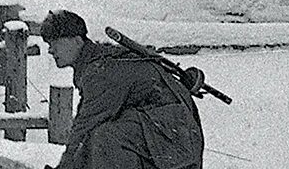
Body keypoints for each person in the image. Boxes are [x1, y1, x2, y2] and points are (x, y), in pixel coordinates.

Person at [41, 10, 204, 169]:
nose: (50, 50)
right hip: (173, 136)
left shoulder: (101, 70)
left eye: (55, 42)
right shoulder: (97, 62)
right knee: (99, 137)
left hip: (176, 139)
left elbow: (84, 126)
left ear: (76, 40)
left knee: (105, 136)